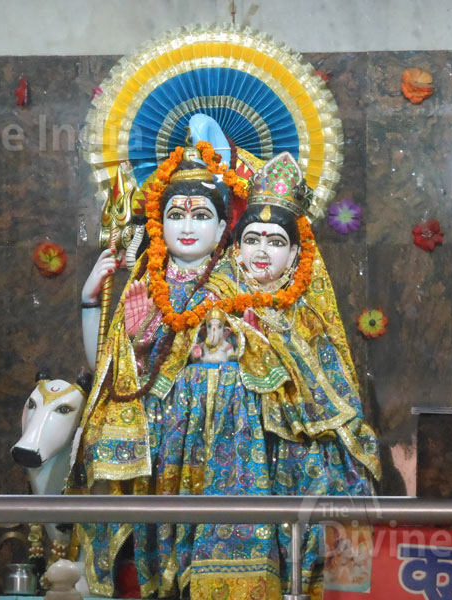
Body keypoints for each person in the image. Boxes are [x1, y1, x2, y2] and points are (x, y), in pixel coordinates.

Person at [69, 147, 291, 599]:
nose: (187, 227)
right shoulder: (144, 284)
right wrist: (92, 301)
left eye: (200, 216)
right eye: (176, 215)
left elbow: (270, 362)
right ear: (159, 223)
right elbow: (103, 370)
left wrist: (227, 354)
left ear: (223, 228)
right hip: (151, 430)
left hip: (221, 434)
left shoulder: (240, 282)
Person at [230, 152, 381, 597]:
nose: (261, 251)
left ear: (296, 253)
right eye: (252, 239)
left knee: (338, 484)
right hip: (242, 449)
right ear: (236, 247)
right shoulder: (216, 305)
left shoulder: (309, 316)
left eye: (275, 242)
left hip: (308, 452)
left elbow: (338, 394)